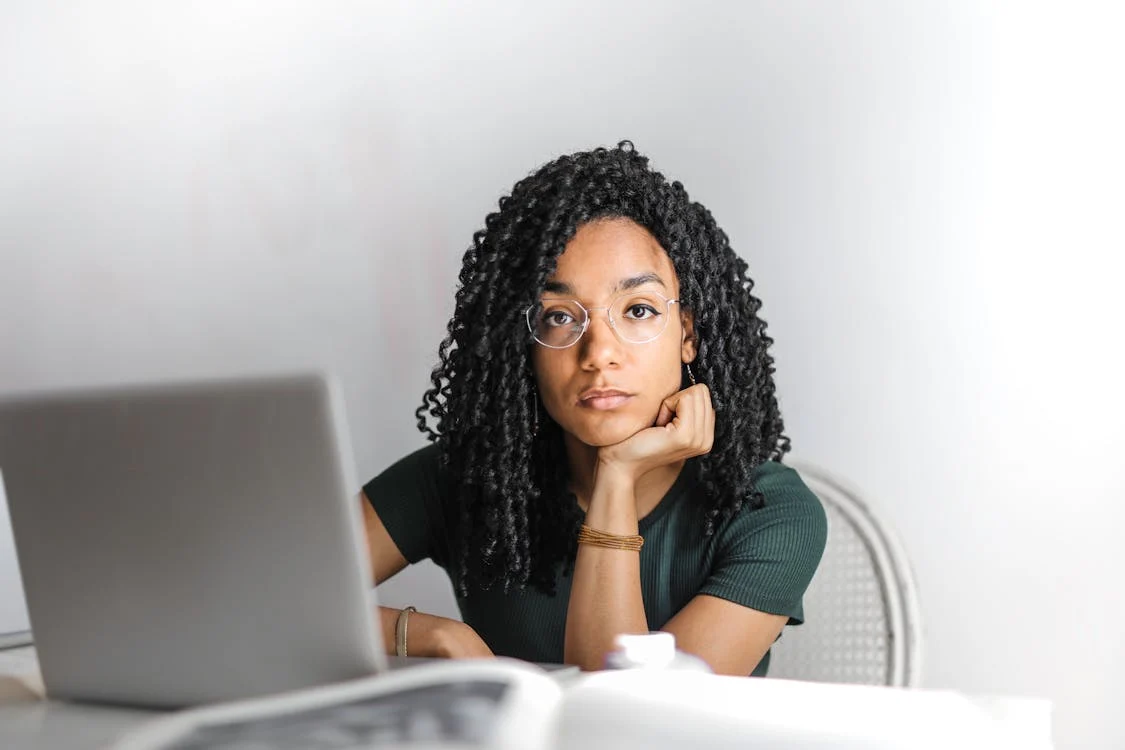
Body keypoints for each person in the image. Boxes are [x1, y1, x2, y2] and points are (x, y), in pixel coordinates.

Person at [361, 141, 827, 676]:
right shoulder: (469, 478)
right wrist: (435, 634)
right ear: (526, 345)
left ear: (688, 335)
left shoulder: (769, 510)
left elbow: (628, 723)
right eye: (559, 317)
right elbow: (261, 598)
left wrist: (618, 474)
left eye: (638, 309)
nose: (599, 353)